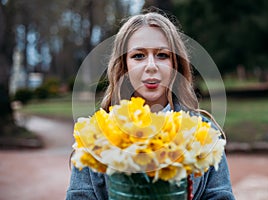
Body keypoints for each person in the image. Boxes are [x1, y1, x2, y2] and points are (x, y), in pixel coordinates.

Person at [66, 10, 235, 200]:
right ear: (124, 66)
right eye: (138, 56)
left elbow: (220, 196)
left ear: (175, 64)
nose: (151, 66)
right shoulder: (95, 136)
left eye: (162, 55)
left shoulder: (205, 133)